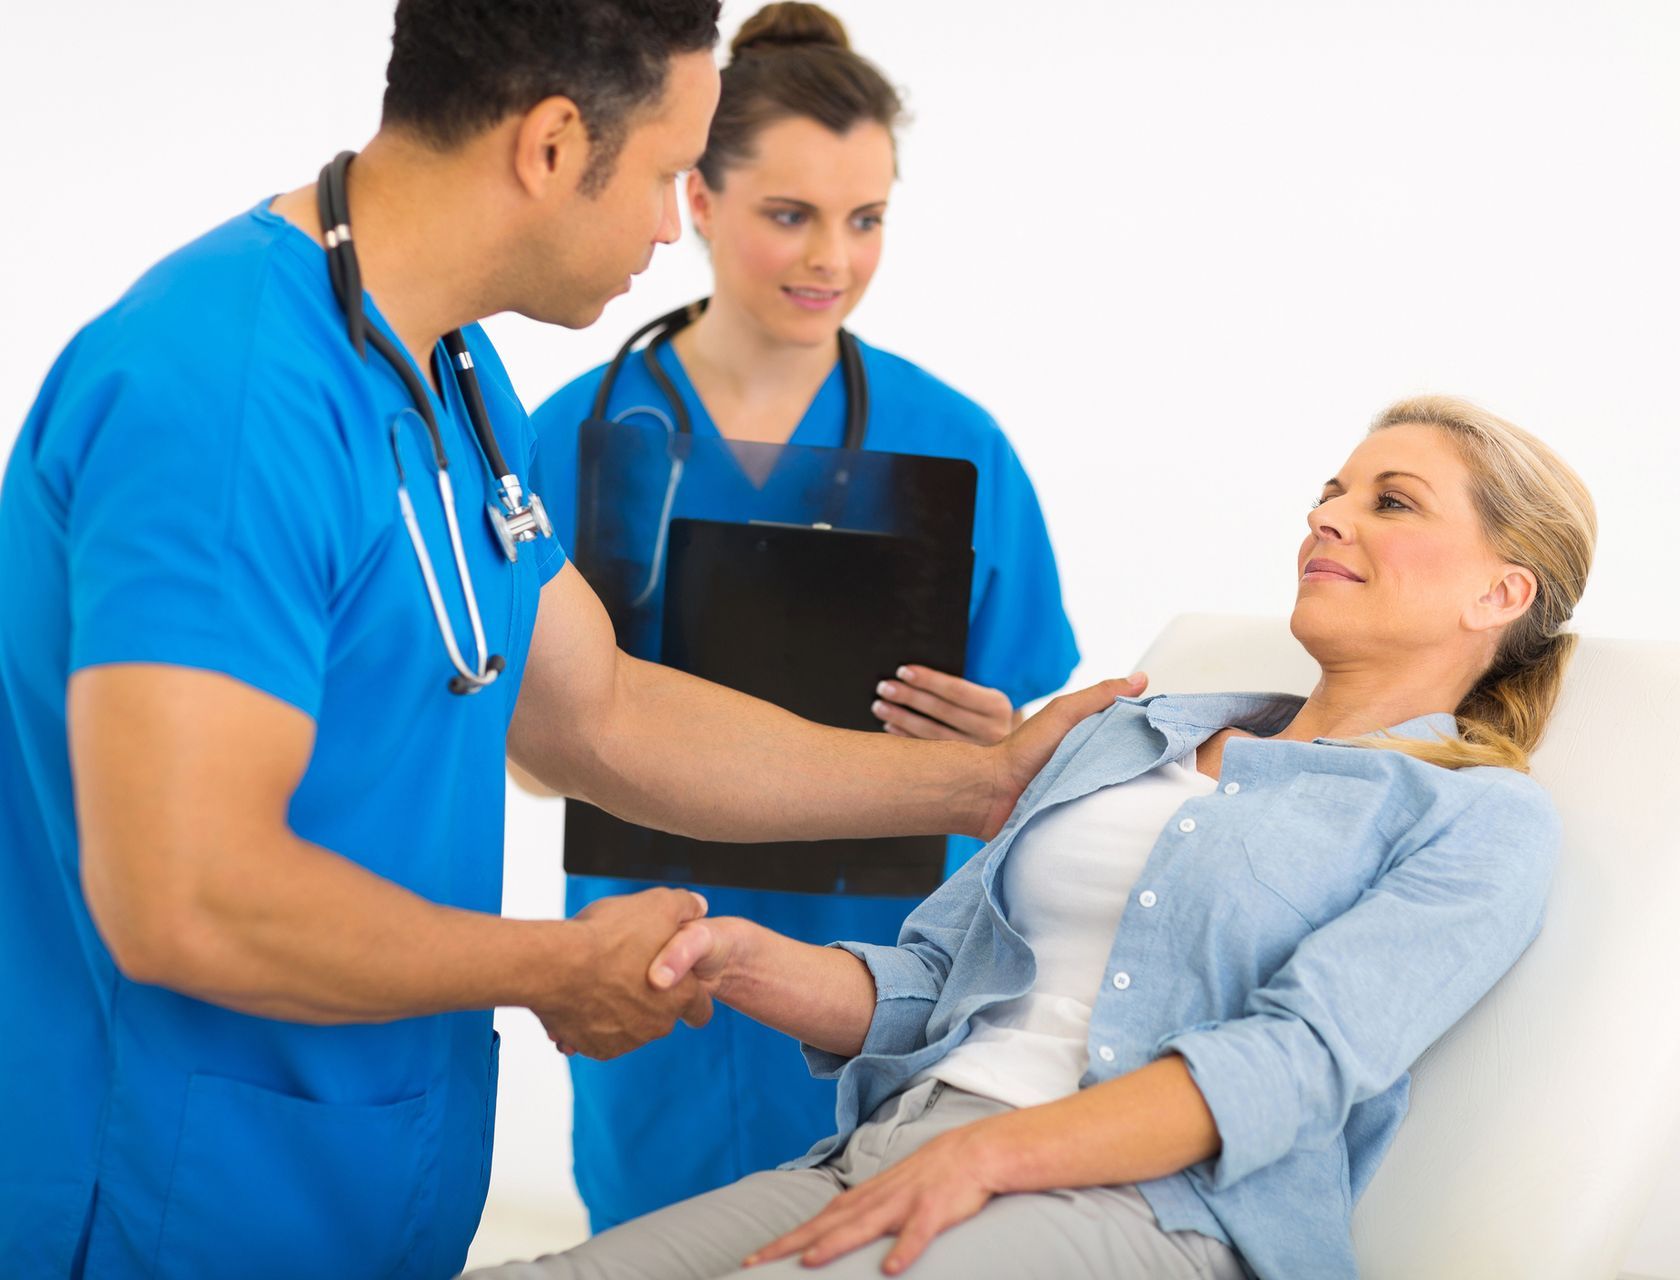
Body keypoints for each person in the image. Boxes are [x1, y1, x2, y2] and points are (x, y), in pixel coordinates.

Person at [0, 3, 1135, 1276]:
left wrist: (979, 776)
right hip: (173, 1193)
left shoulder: (454, 377)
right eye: (664, 175)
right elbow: (186, 896)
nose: (672, 222)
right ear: (550, 146)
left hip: (364, 1169)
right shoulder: (224, 395)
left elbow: (595, 710)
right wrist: (550, 965)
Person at [472, 395, 1600, 1280]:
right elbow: (930, 983)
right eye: (1330, 491)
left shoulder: (1475, 817)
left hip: (1150, 1210)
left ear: (1503, 589)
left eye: (1391, 502)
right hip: (902, 1145)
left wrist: (996, 1154)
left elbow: (1289, 1064)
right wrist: (738, 952)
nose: (1328, 515)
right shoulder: (1129, 735)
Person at [527, 2, 1080, 1228]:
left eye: (866, 217)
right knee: (652, 1243)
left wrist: (991, 742)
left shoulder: (958, 446)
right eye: (791, 214)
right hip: (655, 961)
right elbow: (516, 734)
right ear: (701, 202)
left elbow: (1028, 773)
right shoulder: (566, 437)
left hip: (876, 976)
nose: (834, 256)